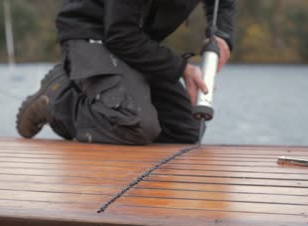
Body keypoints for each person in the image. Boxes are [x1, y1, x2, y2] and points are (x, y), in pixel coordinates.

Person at [16, 0, 235, 145]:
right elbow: (120, 35)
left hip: (136, 42)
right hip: (90, 34)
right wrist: (181, 68)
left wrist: (221, 35)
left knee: (185, 130)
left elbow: (222, 3)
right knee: (134, 122)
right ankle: (59, 99)